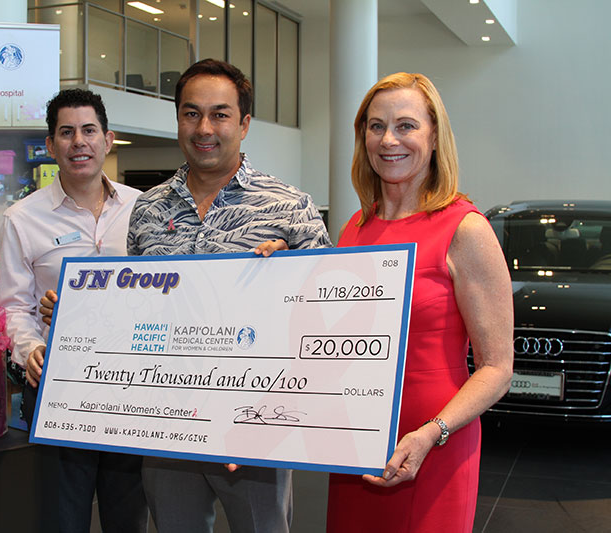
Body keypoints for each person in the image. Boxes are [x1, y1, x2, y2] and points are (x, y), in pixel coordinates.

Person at [42, 59, 331, 533]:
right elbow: (138, 311)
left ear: (244, 124)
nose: (204, 128)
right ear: (177, 120)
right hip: (167, 423)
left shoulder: (289, 207)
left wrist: (292, 279)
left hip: (254, 424)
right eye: (191, 113)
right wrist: (79, 312)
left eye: (220, 114)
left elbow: (326, 314)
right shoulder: (148, 209)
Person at [327, 72, 513, 532]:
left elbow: (497, 368)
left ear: (434, 137)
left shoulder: (465, 229)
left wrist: (432, 433)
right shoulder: (354, 229)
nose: (389, 139)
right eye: (375, 126)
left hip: (434, 446)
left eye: (406, 125)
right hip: (356, 445)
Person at [0, 88, 148, 533]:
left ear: (108, 139)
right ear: (50, 146)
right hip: (60, 386)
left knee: (129, 515)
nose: (78, 141)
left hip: (132, 384)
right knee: (62, 516)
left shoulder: (145, 208)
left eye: (88, 130)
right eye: (66, 132)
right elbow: (13, 307)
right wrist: (30, 350)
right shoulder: (22, 219)